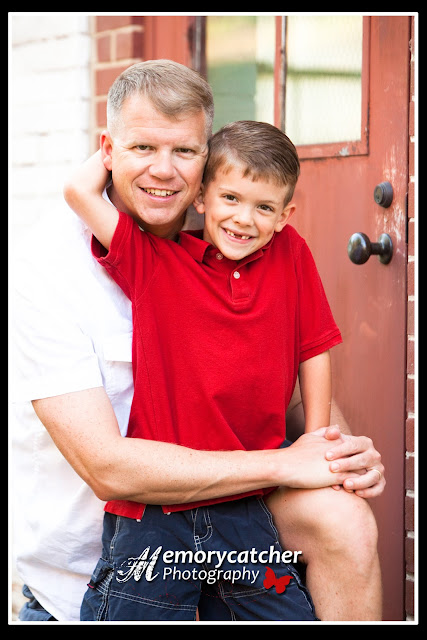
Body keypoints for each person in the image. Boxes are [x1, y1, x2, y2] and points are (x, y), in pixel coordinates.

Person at [11, 60, 384, 623]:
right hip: (108, 557)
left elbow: (291, 379)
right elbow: (108, 469)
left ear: (206, 164)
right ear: (107, 150)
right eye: (142, 147)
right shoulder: (48, 268)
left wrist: (334, 453)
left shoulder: (233, 230)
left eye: (183, 151)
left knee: (345, 518)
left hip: (239, 520)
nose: (163, 171)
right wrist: (286, 465)